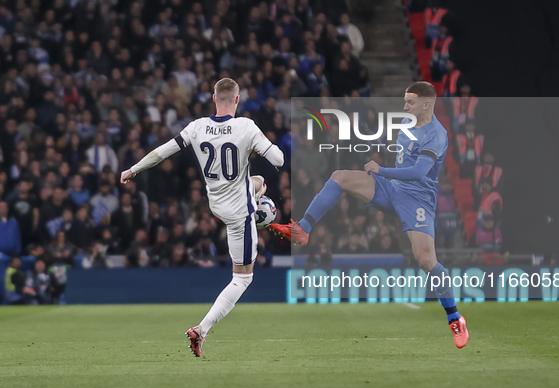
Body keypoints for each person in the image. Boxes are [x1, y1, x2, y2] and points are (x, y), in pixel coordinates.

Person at [270, 82, 469, 348]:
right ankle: (304, 228)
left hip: (417, 199)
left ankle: (455, 318)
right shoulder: (407, 126)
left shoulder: (437, 134)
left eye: (410, 102)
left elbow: (419, 172)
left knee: (426, 261)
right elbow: (401, 159)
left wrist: (382, 170)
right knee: (339, 177)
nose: (404, 106)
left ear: (426, 104)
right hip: (391, 189)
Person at [120, 78, 284, 357]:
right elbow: (279, 160)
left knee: (259, 182)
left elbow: (162, 152)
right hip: (238, 214)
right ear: (237, 99)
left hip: (215, 202)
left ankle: (257, 198)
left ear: (213, 98)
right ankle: (202, 329)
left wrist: (133, 169)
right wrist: (260, 147)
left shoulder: (196, 127)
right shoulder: (246, 126)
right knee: (243, 279)